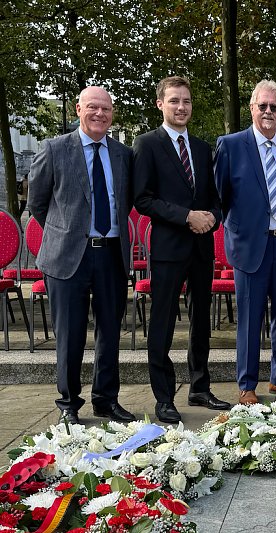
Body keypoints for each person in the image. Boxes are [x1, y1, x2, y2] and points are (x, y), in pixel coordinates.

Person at [28, 86, 136, 424]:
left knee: (110, 332)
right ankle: (68, 404)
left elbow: (126, 201)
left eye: (105, 109)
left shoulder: (123, 154)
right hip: (67, 258)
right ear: (78, 109)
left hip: (112, 256)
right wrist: (67, 234)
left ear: (112, 113)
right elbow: (37, 204)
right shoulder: (54, 149)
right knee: (70, 334)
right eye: (93, 107)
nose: (99, 114)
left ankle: (105, 399)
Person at [132, 76, 231, 423]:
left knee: (201, 321)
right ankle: (164, 397)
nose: (181, 107)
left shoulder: (204, 149)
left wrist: (212, 219)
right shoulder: (146, 144)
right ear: (160, 104)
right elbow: (142, 199)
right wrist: (186, 216)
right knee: (162, 324)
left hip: (202, 249)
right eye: (174, 101)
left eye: (186, 101)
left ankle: (200, 386)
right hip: (168, 248)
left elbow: (217, 200)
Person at [214, 80, 276, 405]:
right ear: (252, 108)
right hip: (251, 246)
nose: (268, 112)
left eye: (274, 107)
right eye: (262, 106)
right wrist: (236, 232)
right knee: (251, 319)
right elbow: (220, 196)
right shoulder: (231, 144)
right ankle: (247, 385)